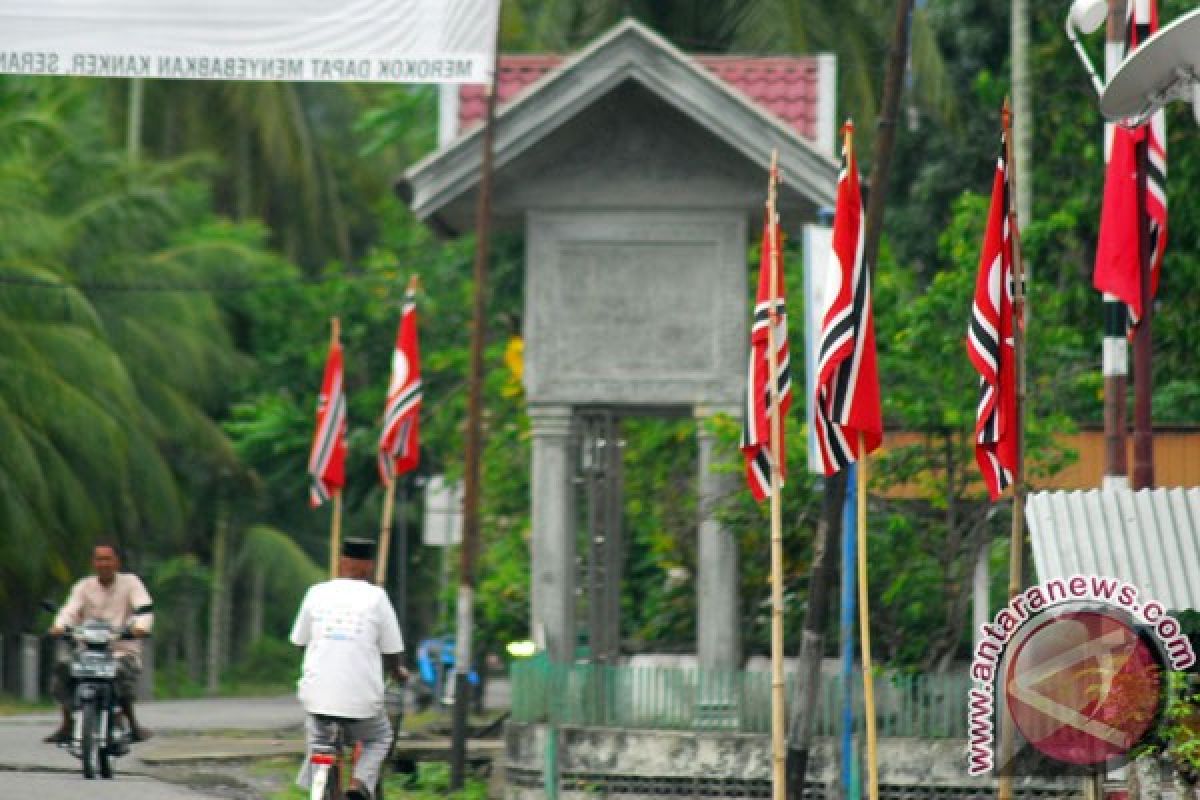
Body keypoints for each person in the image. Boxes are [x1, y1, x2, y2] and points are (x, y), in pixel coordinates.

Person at [290, 537, 407, 800]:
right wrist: (397, 672)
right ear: (369, 566)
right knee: (379, 738)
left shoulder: (316, 592)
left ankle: (315, 786)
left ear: (341, 562)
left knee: (319, 740)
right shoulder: (377, 597)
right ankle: (359, 784)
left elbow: (299, 642)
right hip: (361, 700)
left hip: (318, 695)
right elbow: (391, 650)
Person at [44, 540, 154, 744]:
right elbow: (69, 610)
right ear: (93, 563)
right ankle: (67, 723)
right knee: (63, 669)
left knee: (121, 675)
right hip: (87, 650)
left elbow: (144, 609)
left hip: (120, 650)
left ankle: (132, 723)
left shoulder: (131, 583)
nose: (104, 563)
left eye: (108, 559)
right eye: (99, 559)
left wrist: (141, 627)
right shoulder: (83, 586)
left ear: (117, 562)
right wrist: (59, 626)